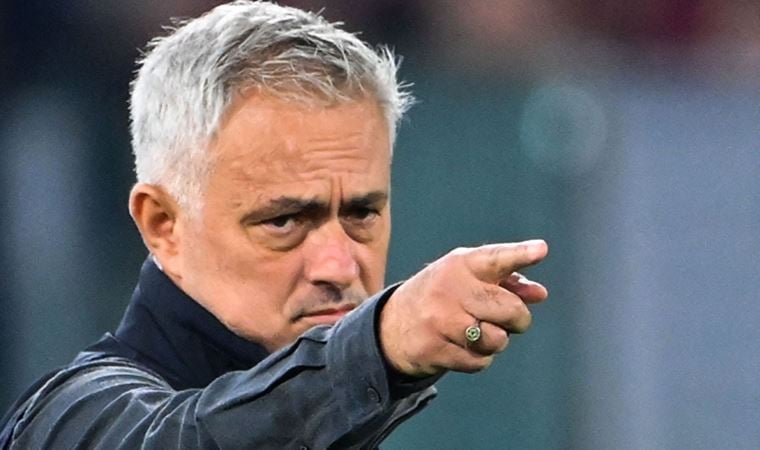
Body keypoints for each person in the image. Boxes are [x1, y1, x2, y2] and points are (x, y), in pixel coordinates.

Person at [0, 1, 549, 448]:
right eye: (284, 220)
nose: (339, 265)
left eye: (361, 214)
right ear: (163, 225)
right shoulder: (70, 420)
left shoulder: (345, 423)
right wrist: (376, 346)